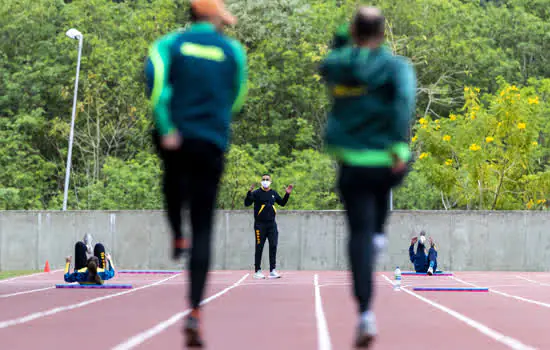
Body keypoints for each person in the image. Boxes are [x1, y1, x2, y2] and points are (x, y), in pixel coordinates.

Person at [144, 0, 247, 347]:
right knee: (204, 225)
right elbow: (236, 97)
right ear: (215, 18)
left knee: (172, 181)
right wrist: (214, 119)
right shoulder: (232, 52)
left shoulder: (167, 46)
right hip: (211, 142)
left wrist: (168, 125)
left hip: (175, 137)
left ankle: (176, 233)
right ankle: (195, 311)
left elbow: (156, 90)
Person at [319, 6, 416, 348]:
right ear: (383, 33)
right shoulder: (396, 67)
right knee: (376, 215)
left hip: (351, 160)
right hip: (386, 160)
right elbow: (404, 103)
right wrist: (400, 148)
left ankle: (364, 314)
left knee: (357, 233)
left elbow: (331, 53)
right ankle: (378, 232)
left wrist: (346, 35)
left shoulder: (338, 65)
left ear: (354, 32)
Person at [244, 174, 293, 279]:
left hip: (272, 225)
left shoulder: (273, 193)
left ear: (270, 181)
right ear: (261, 181)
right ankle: (257, 271)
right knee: (259, 247)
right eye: (263, 179)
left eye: (267, 179)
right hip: (259, 225)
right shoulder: (256, 193)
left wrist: (287, 194)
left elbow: (282, 203)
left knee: (273, 245)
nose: (265, 181)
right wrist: (249, 192)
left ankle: (272, 270)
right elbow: (247, 203)